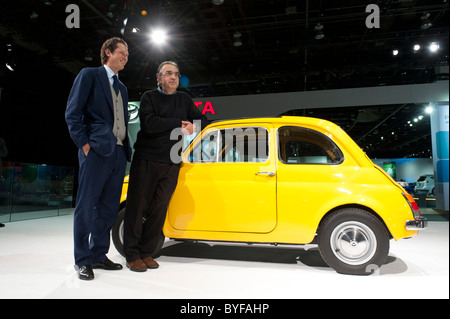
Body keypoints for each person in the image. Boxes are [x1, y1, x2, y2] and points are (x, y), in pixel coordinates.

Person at [123, 61, 208, 272]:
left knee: (159, 208)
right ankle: (132, 254)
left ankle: (146, 252)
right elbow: (150, 124)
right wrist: (180, 124)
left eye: (176, 74)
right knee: (137, 207)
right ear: (159, 78)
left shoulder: (184, 99)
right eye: (168, 74)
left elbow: (203, 121)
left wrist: (193, 126)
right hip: (146, 159)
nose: (173, 77)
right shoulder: (149, 97)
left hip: (171, 162)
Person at [65, 37, 132, 280]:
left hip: (117, 153)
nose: (126, 57)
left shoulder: (122, 88)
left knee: (108, 208)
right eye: (122, 52)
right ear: (107, 52)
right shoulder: (89, 75)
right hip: (94, 151)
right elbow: (73, 113)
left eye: (127, 54)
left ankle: (98, 254)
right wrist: (84, 144)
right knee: (86, 206)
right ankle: (82, 260)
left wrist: (124, 149)